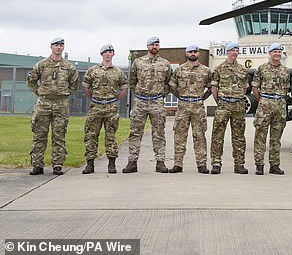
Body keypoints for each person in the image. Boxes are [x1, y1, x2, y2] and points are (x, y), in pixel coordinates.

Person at [26, 37, 79, 175]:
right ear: (51, 47)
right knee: (39, 135)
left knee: (59, 135)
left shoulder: (69, 67)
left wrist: (64, 94)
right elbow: (31, 81)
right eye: (56, 45)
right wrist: (39, 93)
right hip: (43, 104)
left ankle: (57, 165)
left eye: (61, 45)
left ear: (63, 48)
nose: (59, 47)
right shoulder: (42, 65)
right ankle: (37, 165)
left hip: (61, 104)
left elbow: (74, 84)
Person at [123, 37, 172, 173]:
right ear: (147, 46)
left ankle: (160, 162)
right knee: (135, 133)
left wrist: (161, 95)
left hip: (157, 102)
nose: (155, 46)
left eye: (157, 44)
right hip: (140, 102)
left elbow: (169, 82)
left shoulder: (165, 64)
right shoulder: (138, 62)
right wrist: (140, 94)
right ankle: (132, 162)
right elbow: (132, 81)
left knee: (159, 133)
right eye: (152, 44)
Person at [81, 44, 128, 174]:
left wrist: (115, 99)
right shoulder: (93, 70)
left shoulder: (118, 72)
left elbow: (124, 87)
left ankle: (111, 164)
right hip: (96, 106)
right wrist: (93, 98)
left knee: (111, 136)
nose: (108, 54)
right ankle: (90, 164)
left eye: (110, 52)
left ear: (113, 54)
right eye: (106, 52)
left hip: (111, 108)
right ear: (101, 54)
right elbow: (85, 85)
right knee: (91, 134)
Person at [168, 45, 213, 174]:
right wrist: (180, 97)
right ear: (186, 53)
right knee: (179, 135)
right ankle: (178, 164)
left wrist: (201, 98)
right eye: (190, 52)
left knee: (199, 136)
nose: (193, 53)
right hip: (183, 106)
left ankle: (201, 164)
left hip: (197, 106)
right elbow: (172, 86)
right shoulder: (180, 70)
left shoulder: (205, 70)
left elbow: (211, 87)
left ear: (198, 54)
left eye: (195, 52)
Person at [210, 42, 250, 174]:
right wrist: (219, 102)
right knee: (217, 135)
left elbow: (245, 87)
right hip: (223, 105)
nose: (235, 52)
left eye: (237, 50)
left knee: (239, 136)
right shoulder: (219, 69)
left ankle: (239, 164)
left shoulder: (242, 70)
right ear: (227, 52)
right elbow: (214, 87)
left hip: (238, 105)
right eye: (232, 50)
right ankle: (216, 163)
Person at [252, 43, 290, 175]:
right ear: (270, 53)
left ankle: (274, 165)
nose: (277, 54)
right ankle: (259, 164)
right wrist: (262, 100)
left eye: (279, 52)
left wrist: (278, 99)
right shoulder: (262, 69)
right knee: (260, 136)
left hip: (279, 106)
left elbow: (286, 89)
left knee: (276, 137)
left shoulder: (285, 71)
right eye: (275, 52)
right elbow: (255, 88)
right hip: (265, 106)